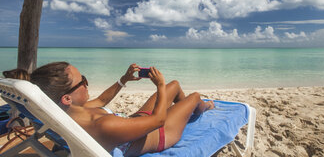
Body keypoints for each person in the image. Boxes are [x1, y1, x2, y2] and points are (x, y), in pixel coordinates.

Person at [30, 62, 214, 156]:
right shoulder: (103, 125)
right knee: (195, 97)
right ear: (67, 98)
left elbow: (102, 99)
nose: (87, 84)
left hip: (134, 122)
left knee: (173, 86)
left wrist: (123, 79)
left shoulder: (73, 112)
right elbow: (159, 120)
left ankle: (187, 112)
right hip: (160, 132)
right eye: (82, 82)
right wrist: (159, 84)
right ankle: (203, 108)